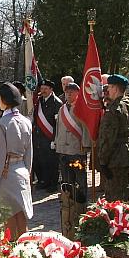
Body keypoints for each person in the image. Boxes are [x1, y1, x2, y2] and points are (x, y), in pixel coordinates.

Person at [0, 83, 34, 239]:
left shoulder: (1, 123)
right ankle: (26, 249)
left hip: (6, 173)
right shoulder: (26, 121)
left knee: (8, 220)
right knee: (22, 216)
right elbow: (29, 153)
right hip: (22, 170)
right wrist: (27, 173)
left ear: (3, 100)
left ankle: (12, 251)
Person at [97, 74, 129, 202]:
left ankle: (117, 215)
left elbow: (107, 138)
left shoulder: (114, 109)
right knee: (124, 190)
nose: (108, 90)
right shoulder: (128, 104)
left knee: (113, 196)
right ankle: (125, 212)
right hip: (126, 153)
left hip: (114, 156)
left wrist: (103, 161)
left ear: (115, 89)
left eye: (110, 87)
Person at [54, 83, 88, 238]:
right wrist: (57, 143)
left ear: (77, 93)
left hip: (76, 150)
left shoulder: (81, 109)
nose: (69, 94)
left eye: (72, 92)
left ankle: (81, 205)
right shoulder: (62, 109)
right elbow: (58, 128)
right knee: (67, 181)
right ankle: (69, 204)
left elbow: (85, 128)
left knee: (80, 179)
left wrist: (85, 145)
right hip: (63, 150)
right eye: (67, 92)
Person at [33, 79, 62, 191]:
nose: (43, 90)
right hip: (39, 137)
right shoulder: (39, 101)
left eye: (45, 88)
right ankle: (43, 181)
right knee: (41, 160)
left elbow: (58, 124)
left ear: (51, 89)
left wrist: (55, 139)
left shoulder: (57, 103)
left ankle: (53, 184)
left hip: (50, 137)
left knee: (52, 162)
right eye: (42, 88)